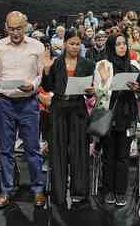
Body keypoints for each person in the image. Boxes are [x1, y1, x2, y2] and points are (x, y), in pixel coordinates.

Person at [0, 11, 46, 208]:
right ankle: (6, 190)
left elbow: (40, 74)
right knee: (6, 150)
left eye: (19, 28)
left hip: (29, 102)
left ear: (26, 26)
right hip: (5, 103)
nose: (15, 32)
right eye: (11, 28)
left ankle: (38, 190)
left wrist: (33, 86)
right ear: (5, 27)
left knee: (33, 149)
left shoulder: (37, 46)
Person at [41, 28, 95, 207]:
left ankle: (79, 192)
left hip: (78, 110)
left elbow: (89, 93)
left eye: (78, 44)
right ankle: (58, 193)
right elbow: (48, 86)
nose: (75, 47)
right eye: (71, 43)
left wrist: (91, 91)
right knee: (58, 152)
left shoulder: (87, 63)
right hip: (58, 109)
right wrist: (46, 70)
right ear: (64, 44)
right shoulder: (56, 63)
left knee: (79, 151)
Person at [93, 33, 140, 207]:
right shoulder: (103, 65)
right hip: (108, 117)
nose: (122, 47)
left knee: (123, 158)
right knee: (109, 156)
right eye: (118, 44)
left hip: (127, 116)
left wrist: (136, 88)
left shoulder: (133, 67)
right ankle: (108, 190)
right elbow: (97, 95)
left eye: (124, 44)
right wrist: (106, 81)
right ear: (111, 46)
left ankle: (121, 192)